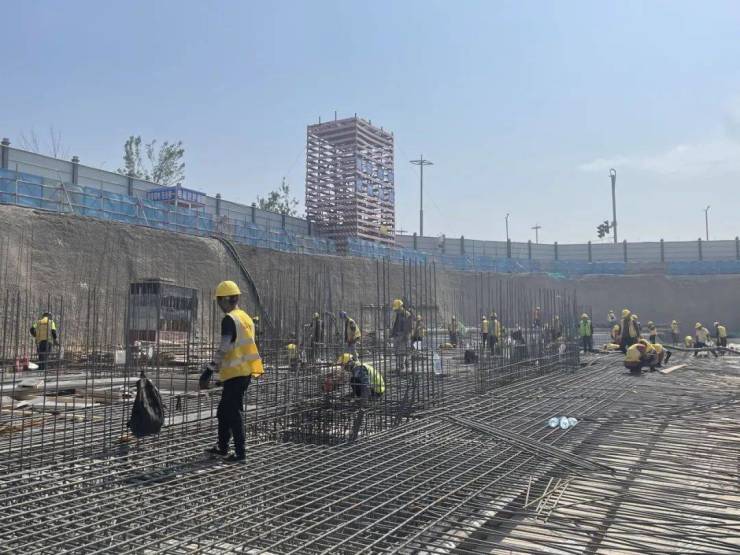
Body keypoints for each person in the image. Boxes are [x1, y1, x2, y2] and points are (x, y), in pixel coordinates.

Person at [201, 280, 263, 463]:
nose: (219, 305)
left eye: (219, 301)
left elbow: (224, 347)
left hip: (237, 374)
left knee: (234, 413)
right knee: (223, 411)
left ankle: (240, 454)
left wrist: (209, 371)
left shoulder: (230, 319)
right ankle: (222, 448)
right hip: (242, 372)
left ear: (225, 299)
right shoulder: (246, 318)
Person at [391, 299, 412, 371]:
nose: (396, 311)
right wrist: (393, 334)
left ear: (401, 307)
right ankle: (400, 367)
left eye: (397, 310)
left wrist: (405, 336)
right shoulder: (398, 314)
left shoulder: (407, 314)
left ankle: (404, 367)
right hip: (397, 335)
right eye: (396, 310)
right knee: (397, 353)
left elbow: (409, 327)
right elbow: (395, 325)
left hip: (404, 336)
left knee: (403, 352)